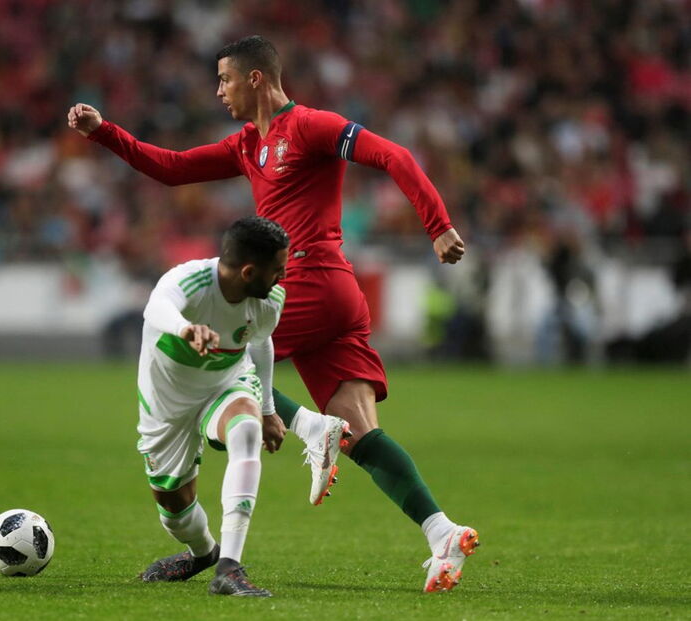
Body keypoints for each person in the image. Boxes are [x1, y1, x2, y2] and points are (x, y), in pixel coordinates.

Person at [69, 35, 478, 593]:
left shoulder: (310, 125)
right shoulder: (245, 145)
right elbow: (171, 168)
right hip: (334, 294)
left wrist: (438, 225)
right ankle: (441, 531)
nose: (219, 91)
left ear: (255, 78)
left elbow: (393, 155)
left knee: (219, 369)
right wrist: (104, 133)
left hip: (307, 282)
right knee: (361, 434)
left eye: (225, 80)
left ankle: (310, 429)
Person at [136, 215, 290, 597]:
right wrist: (186, 329)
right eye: (277, 270)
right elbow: (157, 307)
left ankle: (229, 568)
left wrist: (268, 409)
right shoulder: (189, 280)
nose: (281, 279)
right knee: (174, 510)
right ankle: (204, 553)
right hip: (167, 402)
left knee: (247, 430)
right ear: (250, 270)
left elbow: (260, 343)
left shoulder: (269, 300)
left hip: (225, 383)